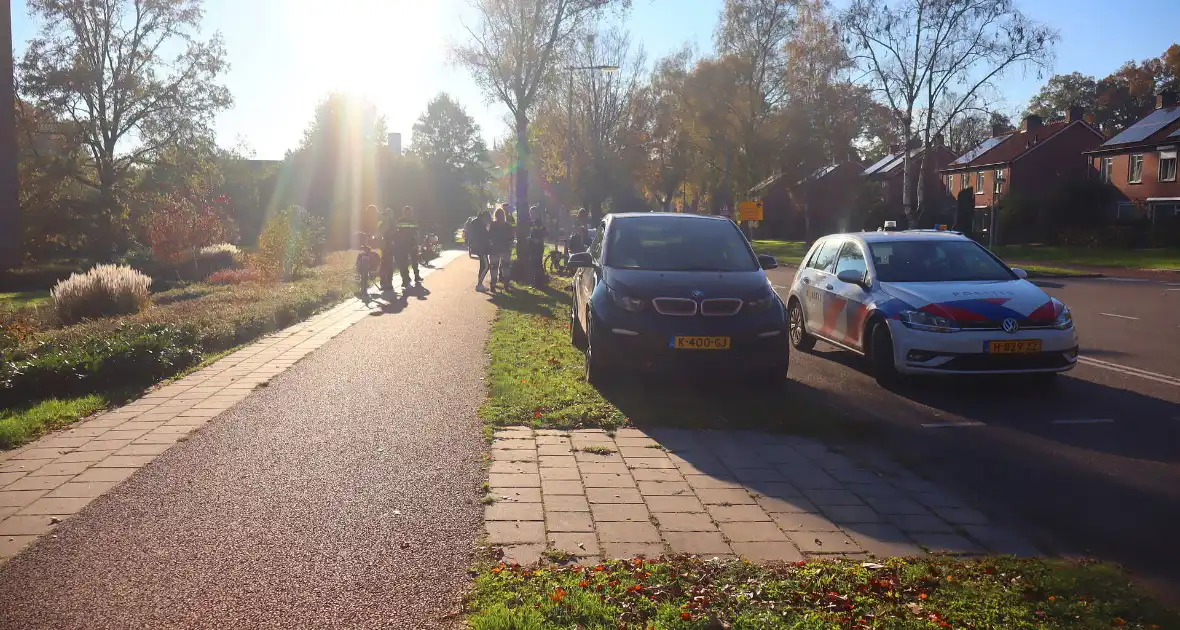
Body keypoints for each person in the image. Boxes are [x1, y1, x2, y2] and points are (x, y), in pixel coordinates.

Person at [392, 205, 423, 289]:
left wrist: (417, 242)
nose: (407, 213)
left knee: (413, 261)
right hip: (404, 244)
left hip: (410, 243)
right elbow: (396, 231)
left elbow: (417, 232)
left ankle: (415, 277)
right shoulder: (403, 221)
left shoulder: (412, 221)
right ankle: (406, 279)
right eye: (406, 211)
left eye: (408, 211)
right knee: (405, 262)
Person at [487, 206, 514, 293]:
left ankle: (493, 285)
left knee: (494, 268)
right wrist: (509, 246)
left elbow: (489, 237)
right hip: (505, 249)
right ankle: (506, 285)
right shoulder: (508, 226)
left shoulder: (493, 225)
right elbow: (511, 238)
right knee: (506, 268)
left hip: (494, 250)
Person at [470, 210, 492, 291]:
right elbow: (484, 236)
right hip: (481, 248)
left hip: (478, 247)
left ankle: (480, 284)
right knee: (486, 266)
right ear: (484, 217)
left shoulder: (476, 222)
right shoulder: (480, 225)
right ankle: (479, 284)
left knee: (482, 265)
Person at [527, 206, 547, 286]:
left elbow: (543, 233)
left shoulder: (539, 222)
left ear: (536, 214)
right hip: (534, 247)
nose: (531, 215)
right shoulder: (534, 222)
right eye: (530, 213)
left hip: (537, 247)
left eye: (532, 213)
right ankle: (538, 282)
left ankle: (540, 282)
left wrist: (537, 240)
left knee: (537, 264)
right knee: (535, 264)